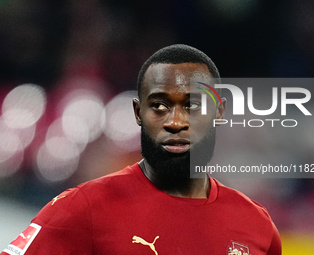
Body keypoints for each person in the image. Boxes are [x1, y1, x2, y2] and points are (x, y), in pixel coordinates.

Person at [1, 44, 281, 255]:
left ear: (219, 112)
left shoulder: (256, 225)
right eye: (159, 105)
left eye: (193, 105)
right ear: (138, 113)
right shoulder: (82, 208)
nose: (176, 122)